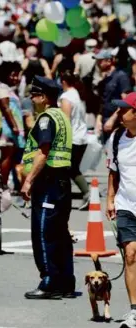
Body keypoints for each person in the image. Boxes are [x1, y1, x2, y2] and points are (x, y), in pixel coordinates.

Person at [20, 76, 75, 300]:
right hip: (61, 181)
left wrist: (28, 179)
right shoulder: (61, 116)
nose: (32, 99)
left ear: (44, 97)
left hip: (49, 181)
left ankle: (49, 281)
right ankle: (65, 281)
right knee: (60, 233)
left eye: (34, 95)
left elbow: (43, 151)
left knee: (44, 233)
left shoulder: (45, 119)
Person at [105, 93, 136, 328]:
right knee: (131, 254)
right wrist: (110, 199)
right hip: (126, 204)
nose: (119, 114)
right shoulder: (116, 139)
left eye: (123, 110)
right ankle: (134, 311)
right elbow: (113, 172)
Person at [59, 70, 90, 210]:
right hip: (81, 135)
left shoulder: (66, 97)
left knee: (68, 168)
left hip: (72, 137)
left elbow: (65, 119)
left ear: (64, 82)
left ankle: (86, 193)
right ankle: (83, 193)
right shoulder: (76, 94)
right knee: (71, 168)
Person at [0, 61, 25, 188]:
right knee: (7, 157)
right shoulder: (2, 88)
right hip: (9, 129)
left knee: (11, 157)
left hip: (13, 129)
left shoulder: (9, 89)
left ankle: (6, 184)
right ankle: (2, 185)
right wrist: (14, 126)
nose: (15, 78)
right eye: (12, 75)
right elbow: (5, 107)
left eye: (17, 75)